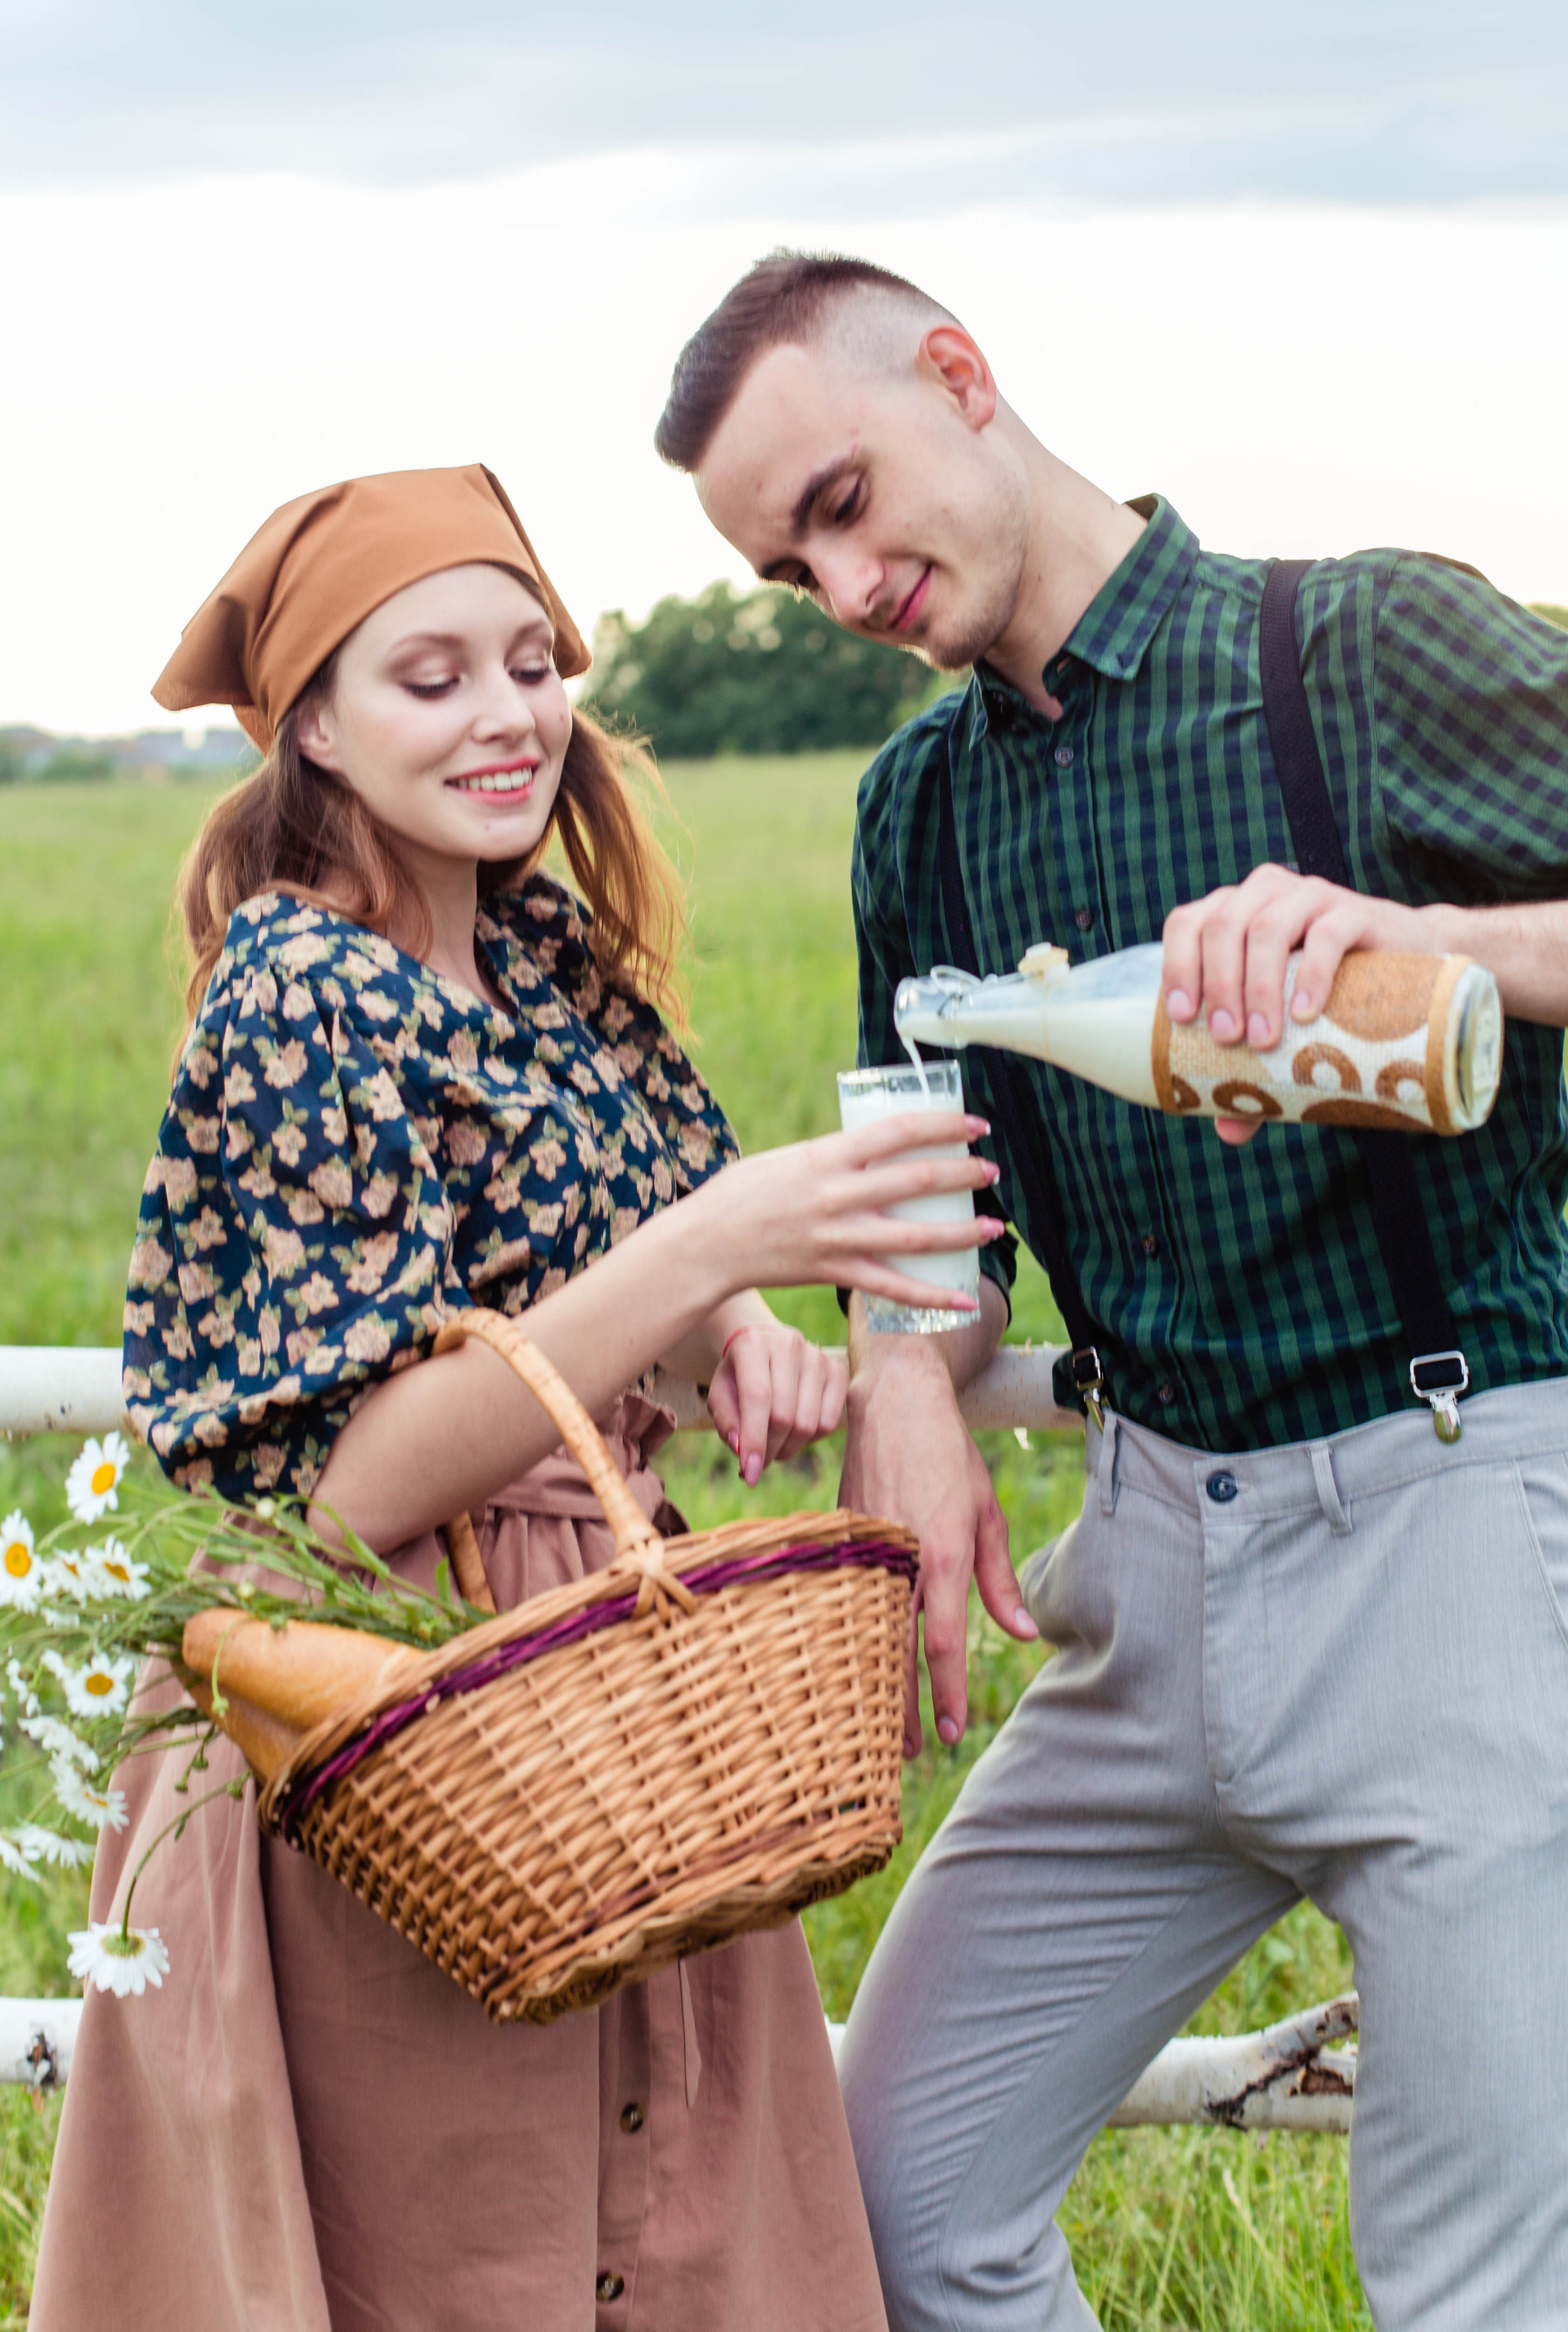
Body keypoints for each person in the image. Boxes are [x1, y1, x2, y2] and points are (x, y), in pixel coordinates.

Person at [654, 253, 1568, 2331]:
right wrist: (909, 1373)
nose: (843, 583)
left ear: (962, 376)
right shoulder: (918, 813)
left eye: (846, 500)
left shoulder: (1362, 647)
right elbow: (932, 1212)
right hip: (1143, 1577)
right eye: (792, 566)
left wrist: (1419, 941)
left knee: (1474, 2294)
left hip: (1457, 1547)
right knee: (888, 2191)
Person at [31, 463, 1003, 2332]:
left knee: (663, 2219)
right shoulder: (303, 990)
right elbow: (348, 1487)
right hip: (390, 1695)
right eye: (433, 676)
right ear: (312, 720)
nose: (510, 714)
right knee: (461, 2246)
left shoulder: (550, 958)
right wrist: (706, 1255)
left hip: (605, 1699)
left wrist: (736, 1341)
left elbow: (655, 1237)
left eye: (535, 659)